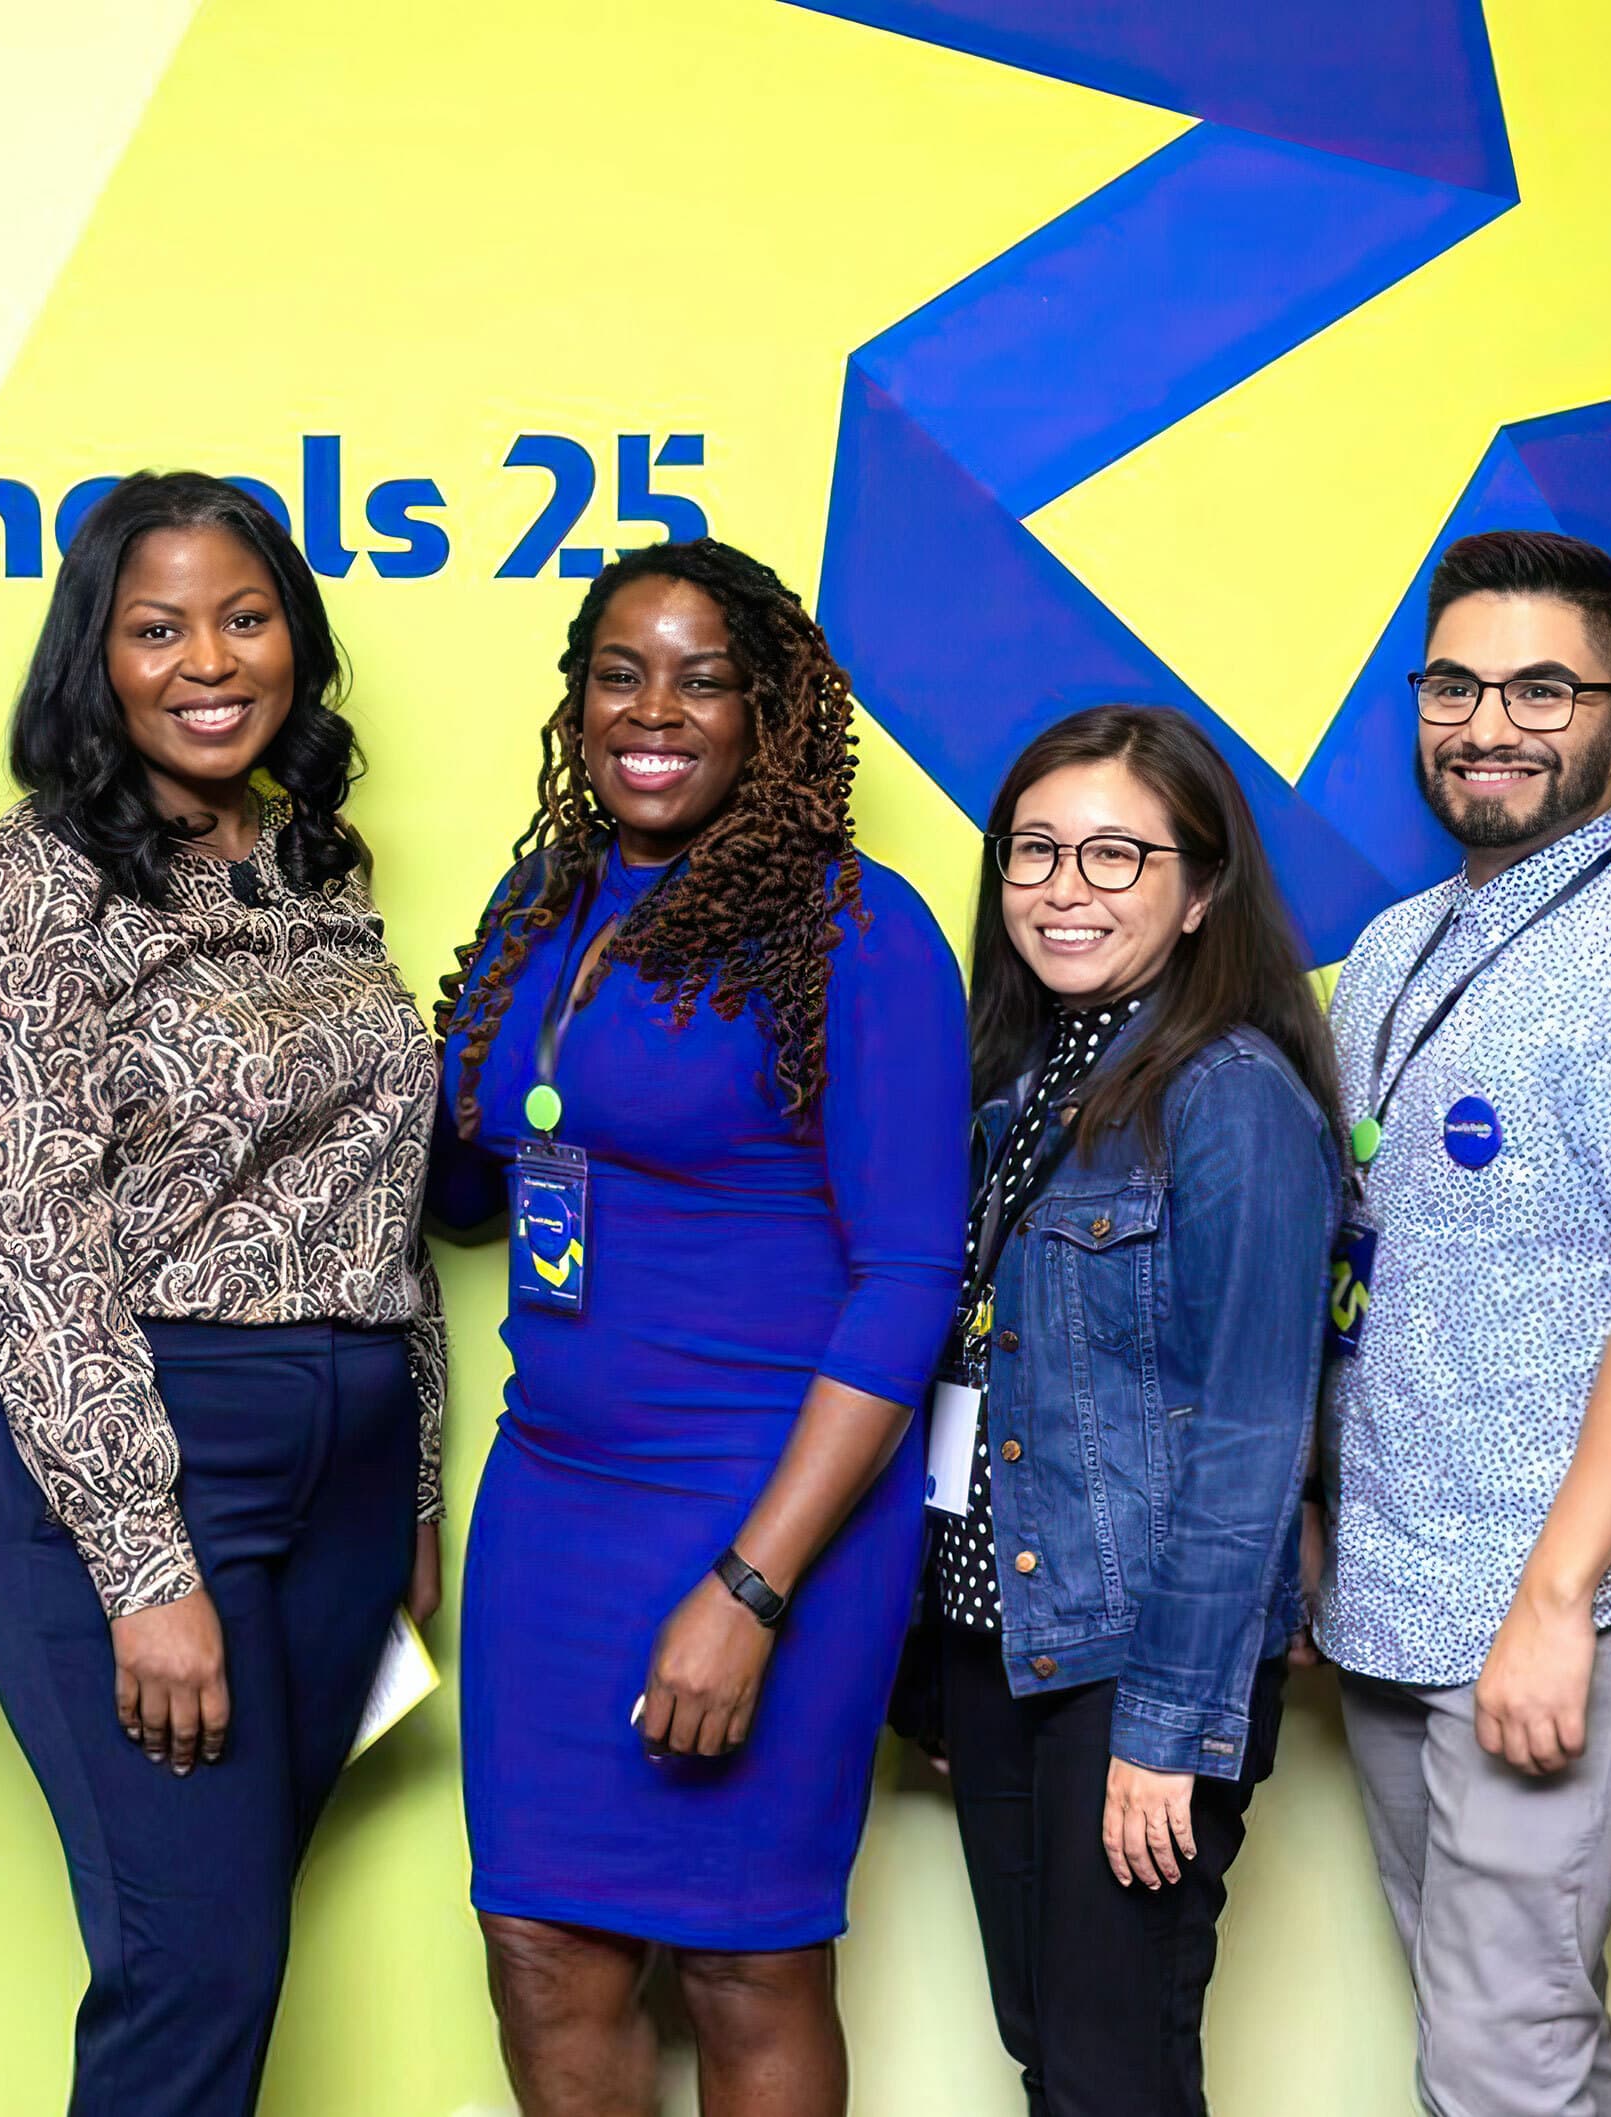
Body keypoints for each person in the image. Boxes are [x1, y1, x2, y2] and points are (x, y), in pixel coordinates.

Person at [0, 471, 445, 2117]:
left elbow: (377, 1181)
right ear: (98, 655)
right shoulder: (29, 887)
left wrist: (413, 1472)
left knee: (226, 1946)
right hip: (144, 1448)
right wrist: (145, 1561)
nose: (208, 659)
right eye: (157, 627)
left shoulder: (312, 863)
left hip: (344, 1453)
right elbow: (34, 1234)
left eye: (245, 615)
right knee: (195, 1968)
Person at [429, 538, 968, 2117]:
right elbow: (485, 1171)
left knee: (746, 1957)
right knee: (537, 1938)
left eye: (703, 677)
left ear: (773, 716)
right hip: (554, 1498)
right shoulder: (543, 903)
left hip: (768, 1503)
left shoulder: (854, 930)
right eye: (618, 671)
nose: (651, 709)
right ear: (577, 702)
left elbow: (908, 1279)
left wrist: (752, 1584)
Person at [926, 704, 1341, 2116]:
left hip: (1134, 1664)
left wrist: (1166, 1724)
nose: (1063, 886)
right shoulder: (1015, 1083)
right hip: (1005, 1649)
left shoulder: (1232, 1098)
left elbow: (1248, 1442)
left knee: (1112, 2077)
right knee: (1053, 2049)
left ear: (1200, 888)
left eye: (1118, 854)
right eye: (1034, 849)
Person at [1316, 529, 1611, 2117]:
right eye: (1455, 681)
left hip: (1556, 1611)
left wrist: (1558, 1597)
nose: (1489, 721)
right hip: (1393, 1593)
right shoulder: (1396, 948)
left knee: (1498, 2055)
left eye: (1545, 687)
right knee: (1510, 2028)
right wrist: (1328, 1512)